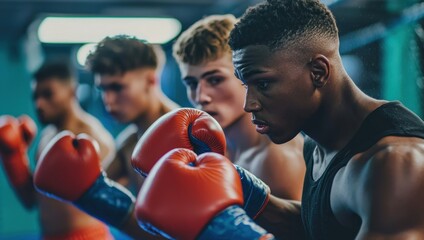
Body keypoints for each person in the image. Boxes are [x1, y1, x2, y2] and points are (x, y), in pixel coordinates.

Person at [226, 0, 424, 239]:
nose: (249, 104)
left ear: (318, 72)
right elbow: (325, 225)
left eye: (263, 83)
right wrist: (249, 198)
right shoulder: (317, 146)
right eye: (245, 84)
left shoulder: (396, 163)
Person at [172, 14, 306, 201]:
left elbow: (298, 229)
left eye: (215, 79)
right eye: (192, 83)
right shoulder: (206, 152)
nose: (201, 96)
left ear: (246, 75)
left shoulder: (276, 156)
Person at [0, 59, 117, 239]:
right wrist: (13, 156)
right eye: (36, 96)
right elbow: (31, 199)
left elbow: (111, 201)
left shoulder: (94, 137)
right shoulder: (47, 136)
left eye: (48, 94)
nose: (39, 104)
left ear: (72, 92)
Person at [85, 35, 179, 194]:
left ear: (150, 80)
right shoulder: (128, 144)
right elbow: (93, 193)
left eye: (117, 88)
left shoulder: (185, 134)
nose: (108, 100)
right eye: (103, 89)